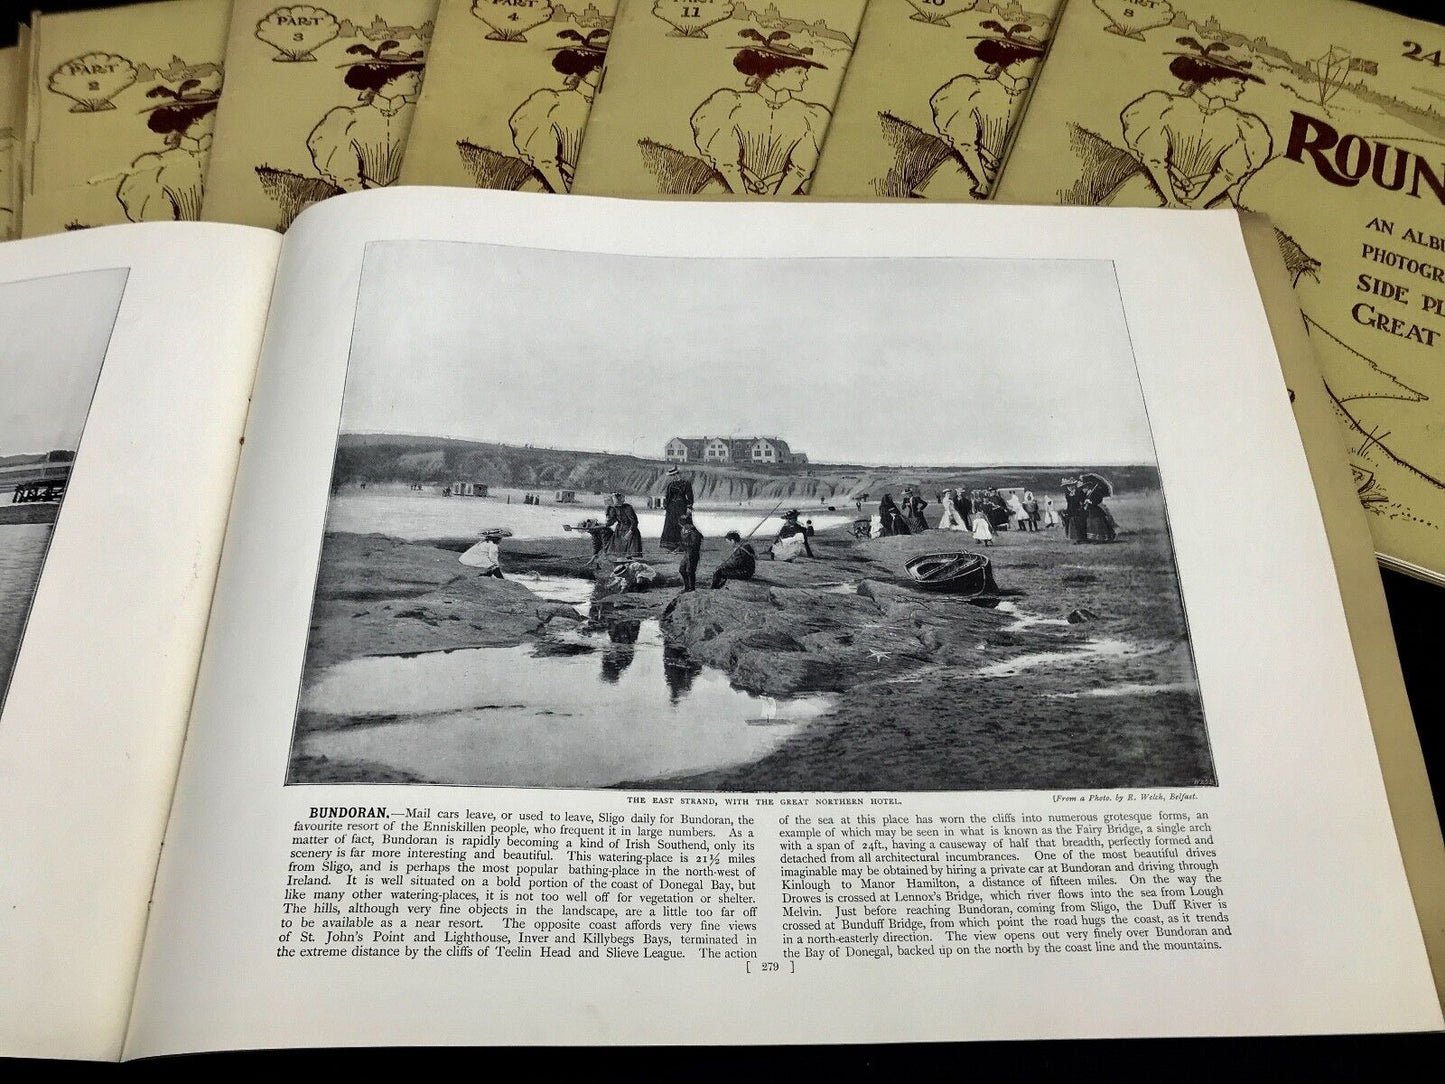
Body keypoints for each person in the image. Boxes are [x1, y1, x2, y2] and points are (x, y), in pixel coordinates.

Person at [1113, 40, 1272, 210]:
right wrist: (1171, 200)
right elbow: (1154, 160)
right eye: (1236, 82)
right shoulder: (1164, 107)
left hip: (1210, 197)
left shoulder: (1243, 125)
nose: (1241, 89)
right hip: (1158, 186)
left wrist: (1198, 203)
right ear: (1214, 80)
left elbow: (1229, 174)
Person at [690, 29, 831, 196]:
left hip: (785, 193)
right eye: (799, 72)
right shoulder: (731, 104)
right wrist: (742, 196)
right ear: (778, 71)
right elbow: (726, 162)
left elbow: (801, 169)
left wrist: (777, 200)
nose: (805, 78)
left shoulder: (810, 115)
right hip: (731, 188)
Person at [922, 23, 1047, 198]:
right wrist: (983, 180)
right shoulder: (971, 90)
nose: (1041, 63)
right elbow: (964, 143)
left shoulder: (1038, 97)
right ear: (1019, 60)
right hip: (965, 174)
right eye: (1037, 58)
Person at [307, 40, 426, 193]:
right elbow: (334, 162)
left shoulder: (421, 114)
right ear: (390, 79)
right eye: (411, 76)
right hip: (356, 198)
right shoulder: (349, 118)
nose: (418, 81)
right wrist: (354, 187)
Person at [509, 28, 609, 193]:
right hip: (550, 188)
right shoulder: (551, 103)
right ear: (595, 68)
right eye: (601, 65)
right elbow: (545, 163)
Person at [117, 77, 220, 222]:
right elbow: (149, 218)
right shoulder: (155, 166)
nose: (200, 119)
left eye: (210, 111)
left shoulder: (227, 158)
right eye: (194, 115)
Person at [660, 465, 694, 551]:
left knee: (682, 524)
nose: (672, 477)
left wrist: (689, 507)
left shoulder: (686, 484)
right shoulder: (670, 485)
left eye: (672, 475)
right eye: (671, 476)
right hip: (671, 508)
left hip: (681, 506)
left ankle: (683, 546)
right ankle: (672, 546)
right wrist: (665, 506)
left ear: (677, 474)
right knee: (671, 525)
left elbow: (690, 496)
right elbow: (668, 496)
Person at [606, 491, 643, 556]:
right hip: (619, 530)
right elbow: (612, 521)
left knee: (631, 553)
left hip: (630, 530)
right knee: (616, 552)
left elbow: (634, 522)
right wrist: (607, 516)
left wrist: (629, 533)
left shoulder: (628, 508)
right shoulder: (615, 509)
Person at [677, 512, 703, 591]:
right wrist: (680, 547)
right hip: (687, 554)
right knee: (682, 569)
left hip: (693, 554)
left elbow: (694, 544)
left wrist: (683, 544)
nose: (683, 526)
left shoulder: (694, 532)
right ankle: (687, 587)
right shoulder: (684, 530)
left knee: (690, 571)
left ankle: (691, 588)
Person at [1062, 479, 1088, 543]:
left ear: (1074, 485)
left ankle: (1082, 539)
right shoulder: (1067, 493)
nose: (1069, 487)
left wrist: (1081, 505)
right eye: (1068, 486)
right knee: (1072, 524)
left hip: (1079, 510)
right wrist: (1068, 511)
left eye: (1071, 485)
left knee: (1080, 524)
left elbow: (1082, 500)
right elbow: (1069, 503)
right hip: (1071, 511)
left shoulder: (1079, 491)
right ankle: (1075, 538)